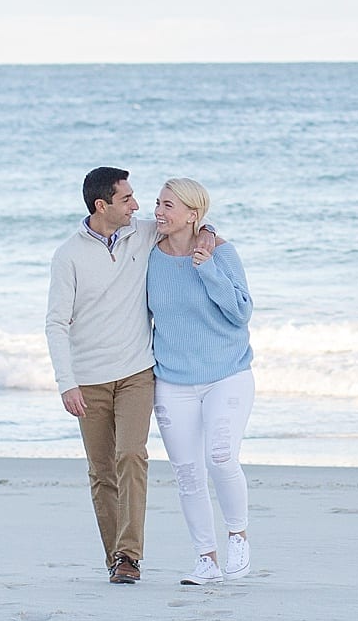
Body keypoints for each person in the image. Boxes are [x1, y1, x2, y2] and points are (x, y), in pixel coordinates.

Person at [45, 167, 217, 585]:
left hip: (138, 372)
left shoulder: (141, 234)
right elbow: (56, 324)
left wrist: (209, 234)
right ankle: (116, 559)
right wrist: (66, 383)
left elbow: (189, 223)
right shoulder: (68, 256)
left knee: (131, 455)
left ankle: (130, 556)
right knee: (101, 471)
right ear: (102, 205)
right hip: (88, 380)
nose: (138, 206)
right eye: (128, 199)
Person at [146, 177, 255, 587]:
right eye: (157, 202)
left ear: (193, 214)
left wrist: (207, 268)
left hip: (228, 374)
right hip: (172, 380)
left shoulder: (221, 253)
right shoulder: (149, 255)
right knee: (187, 473)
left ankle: (238, 537)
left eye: (168, 205)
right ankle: (206, 559)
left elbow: (241, 313)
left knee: (221, 457)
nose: (158, 211)